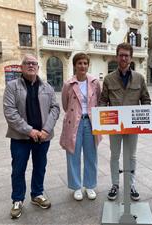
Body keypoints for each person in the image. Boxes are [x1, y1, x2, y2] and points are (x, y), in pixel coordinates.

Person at [3, 54, 60, 219]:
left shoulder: (47, 87)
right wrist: (29, 130)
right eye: (27, 63)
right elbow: (10, 112)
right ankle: (17, 199)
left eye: (34, 63)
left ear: (38, 67)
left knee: (40, 166)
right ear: (22, 67)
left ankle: (37, 194)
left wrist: (46, 129)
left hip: (43, 137)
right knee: (18, 169)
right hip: (20, 138)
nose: (31, 65)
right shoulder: (12, 86)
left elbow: (55, 108)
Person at [99, 43, 151, 201]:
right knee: (114, 155)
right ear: (116, 57)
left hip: (133, 125)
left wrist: (145, 116)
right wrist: (102, 117)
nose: (123, 58)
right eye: (121, 55)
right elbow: (103, 101)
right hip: (115, 125)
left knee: (131, 156)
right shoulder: (108, 79)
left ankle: (130, 185)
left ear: (131, 58)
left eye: (126, 55)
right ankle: (115, 184)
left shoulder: (139, 78)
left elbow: (146, 100)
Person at [60, 53, 102, 201]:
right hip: (74, 122)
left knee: (91, 155)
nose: (82, 66)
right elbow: (65, 105)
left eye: (85, 63)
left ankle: (90, 185)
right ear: (74, 65)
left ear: (88, 65)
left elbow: (98, 101)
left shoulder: (95, 82)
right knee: (73, 154)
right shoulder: (68, 84)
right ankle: (76, 187)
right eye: (79, 63)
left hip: (90, 122)